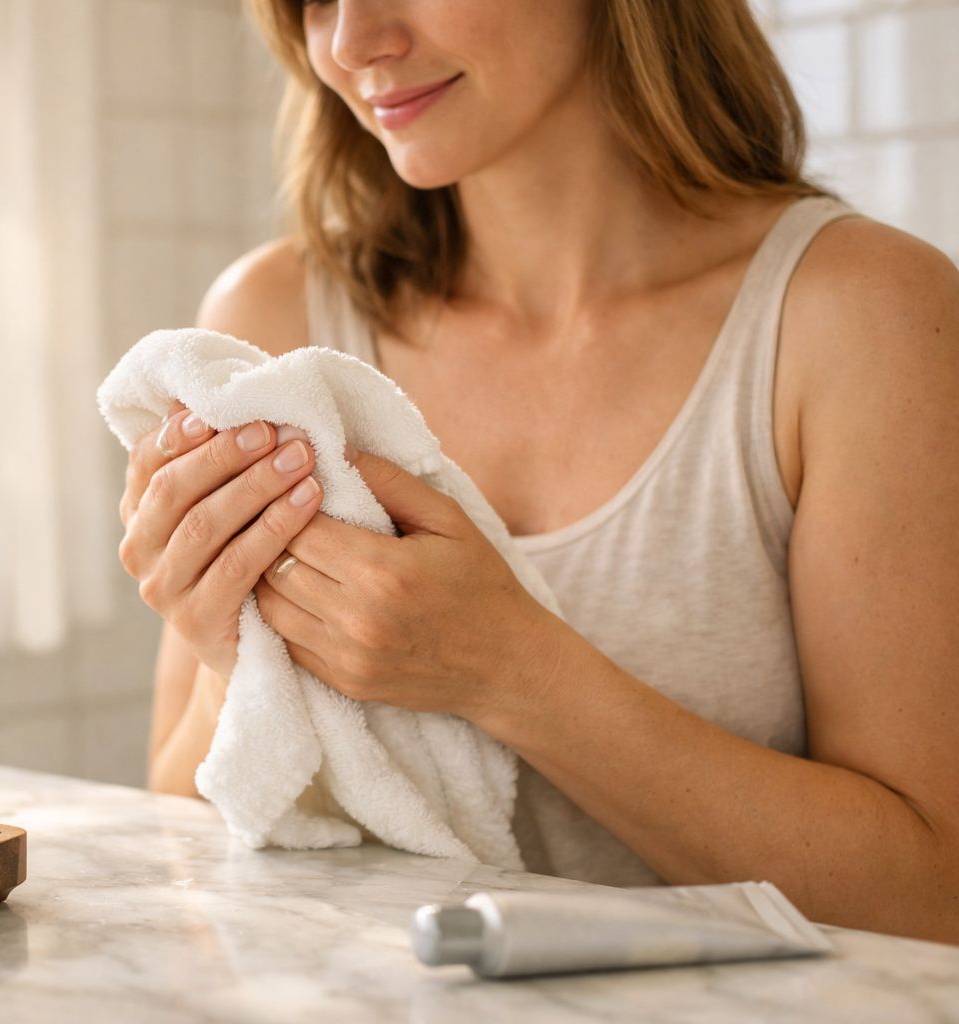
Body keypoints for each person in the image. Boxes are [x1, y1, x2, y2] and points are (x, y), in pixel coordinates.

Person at [114, 0, 959, 943]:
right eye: (313, 0)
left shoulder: (864, 317)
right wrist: (237, 663)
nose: (352, 44)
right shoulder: (274, 322)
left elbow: (932, 898)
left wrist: (510, 670)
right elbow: (183, 830)